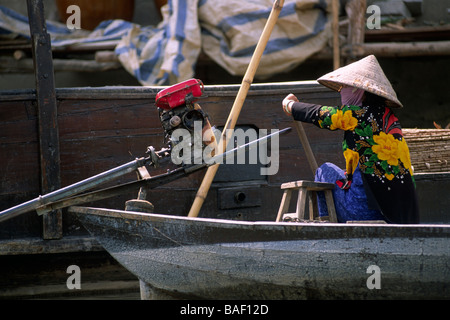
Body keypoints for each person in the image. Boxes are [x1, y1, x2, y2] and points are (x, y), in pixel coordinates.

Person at [282, 55, 419, 224]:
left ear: (359, 91)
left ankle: (327, 226)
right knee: (342, 174)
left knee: (324, 170)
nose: (341, 90)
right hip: (401, 215)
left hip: (366, 212)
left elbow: (322, 115)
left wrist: (290, 105)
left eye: (346, 86)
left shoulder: (357, 116)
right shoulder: (391, 119)